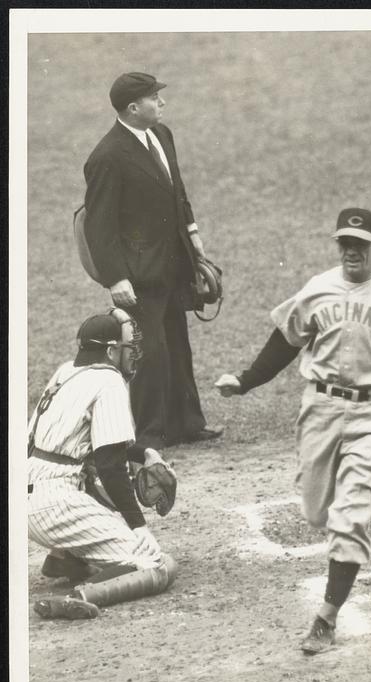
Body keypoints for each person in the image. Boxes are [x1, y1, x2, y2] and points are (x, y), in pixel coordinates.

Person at [215, 208, 371, 653]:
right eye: (345, 243)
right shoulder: (318, 288)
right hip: (320, 409)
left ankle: (326, 617)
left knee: (350, 516)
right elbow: (286, 339)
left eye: (360, 244)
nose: (352, 252)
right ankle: (340, 540)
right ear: (337, 245)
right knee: (317, 511)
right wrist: (245, 381)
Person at [83, 71, 223, 448]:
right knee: (151, 352)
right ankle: (147, 435)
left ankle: (187, 424)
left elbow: (177, 190)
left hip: (174, 263)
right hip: (139, 273)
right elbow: (99, 226)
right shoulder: (107, 156)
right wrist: (116, 279)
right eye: (154, 98)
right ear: (133, 107)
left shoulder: (161, 135)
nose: (161, 103)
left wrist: (193, 236)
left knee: (177, 344)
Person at [28, 308, 177, 620]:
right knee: (155, 565)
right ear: (111, 350)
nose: (133, 353)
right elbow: (109, 466)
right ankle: (77, 596)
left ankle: (66, 558)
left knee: (90, 483)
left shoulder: (66, 371)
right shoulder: (109, 380)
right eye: (127, 347)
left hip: (28, 494)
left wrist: (146, 453)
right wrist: (139, 526)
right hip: (56, 502)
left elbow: (98, 446)